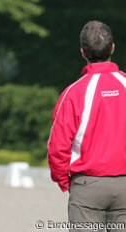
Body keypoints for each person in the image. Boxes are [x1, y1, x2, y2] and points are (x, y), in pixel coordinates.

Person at [47, 20, 126, 231]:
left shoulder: (73, 93)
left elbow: (57, 146)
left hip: (87, 187)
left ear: (83, 52)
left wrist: (64, 181)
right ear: (112, 48)